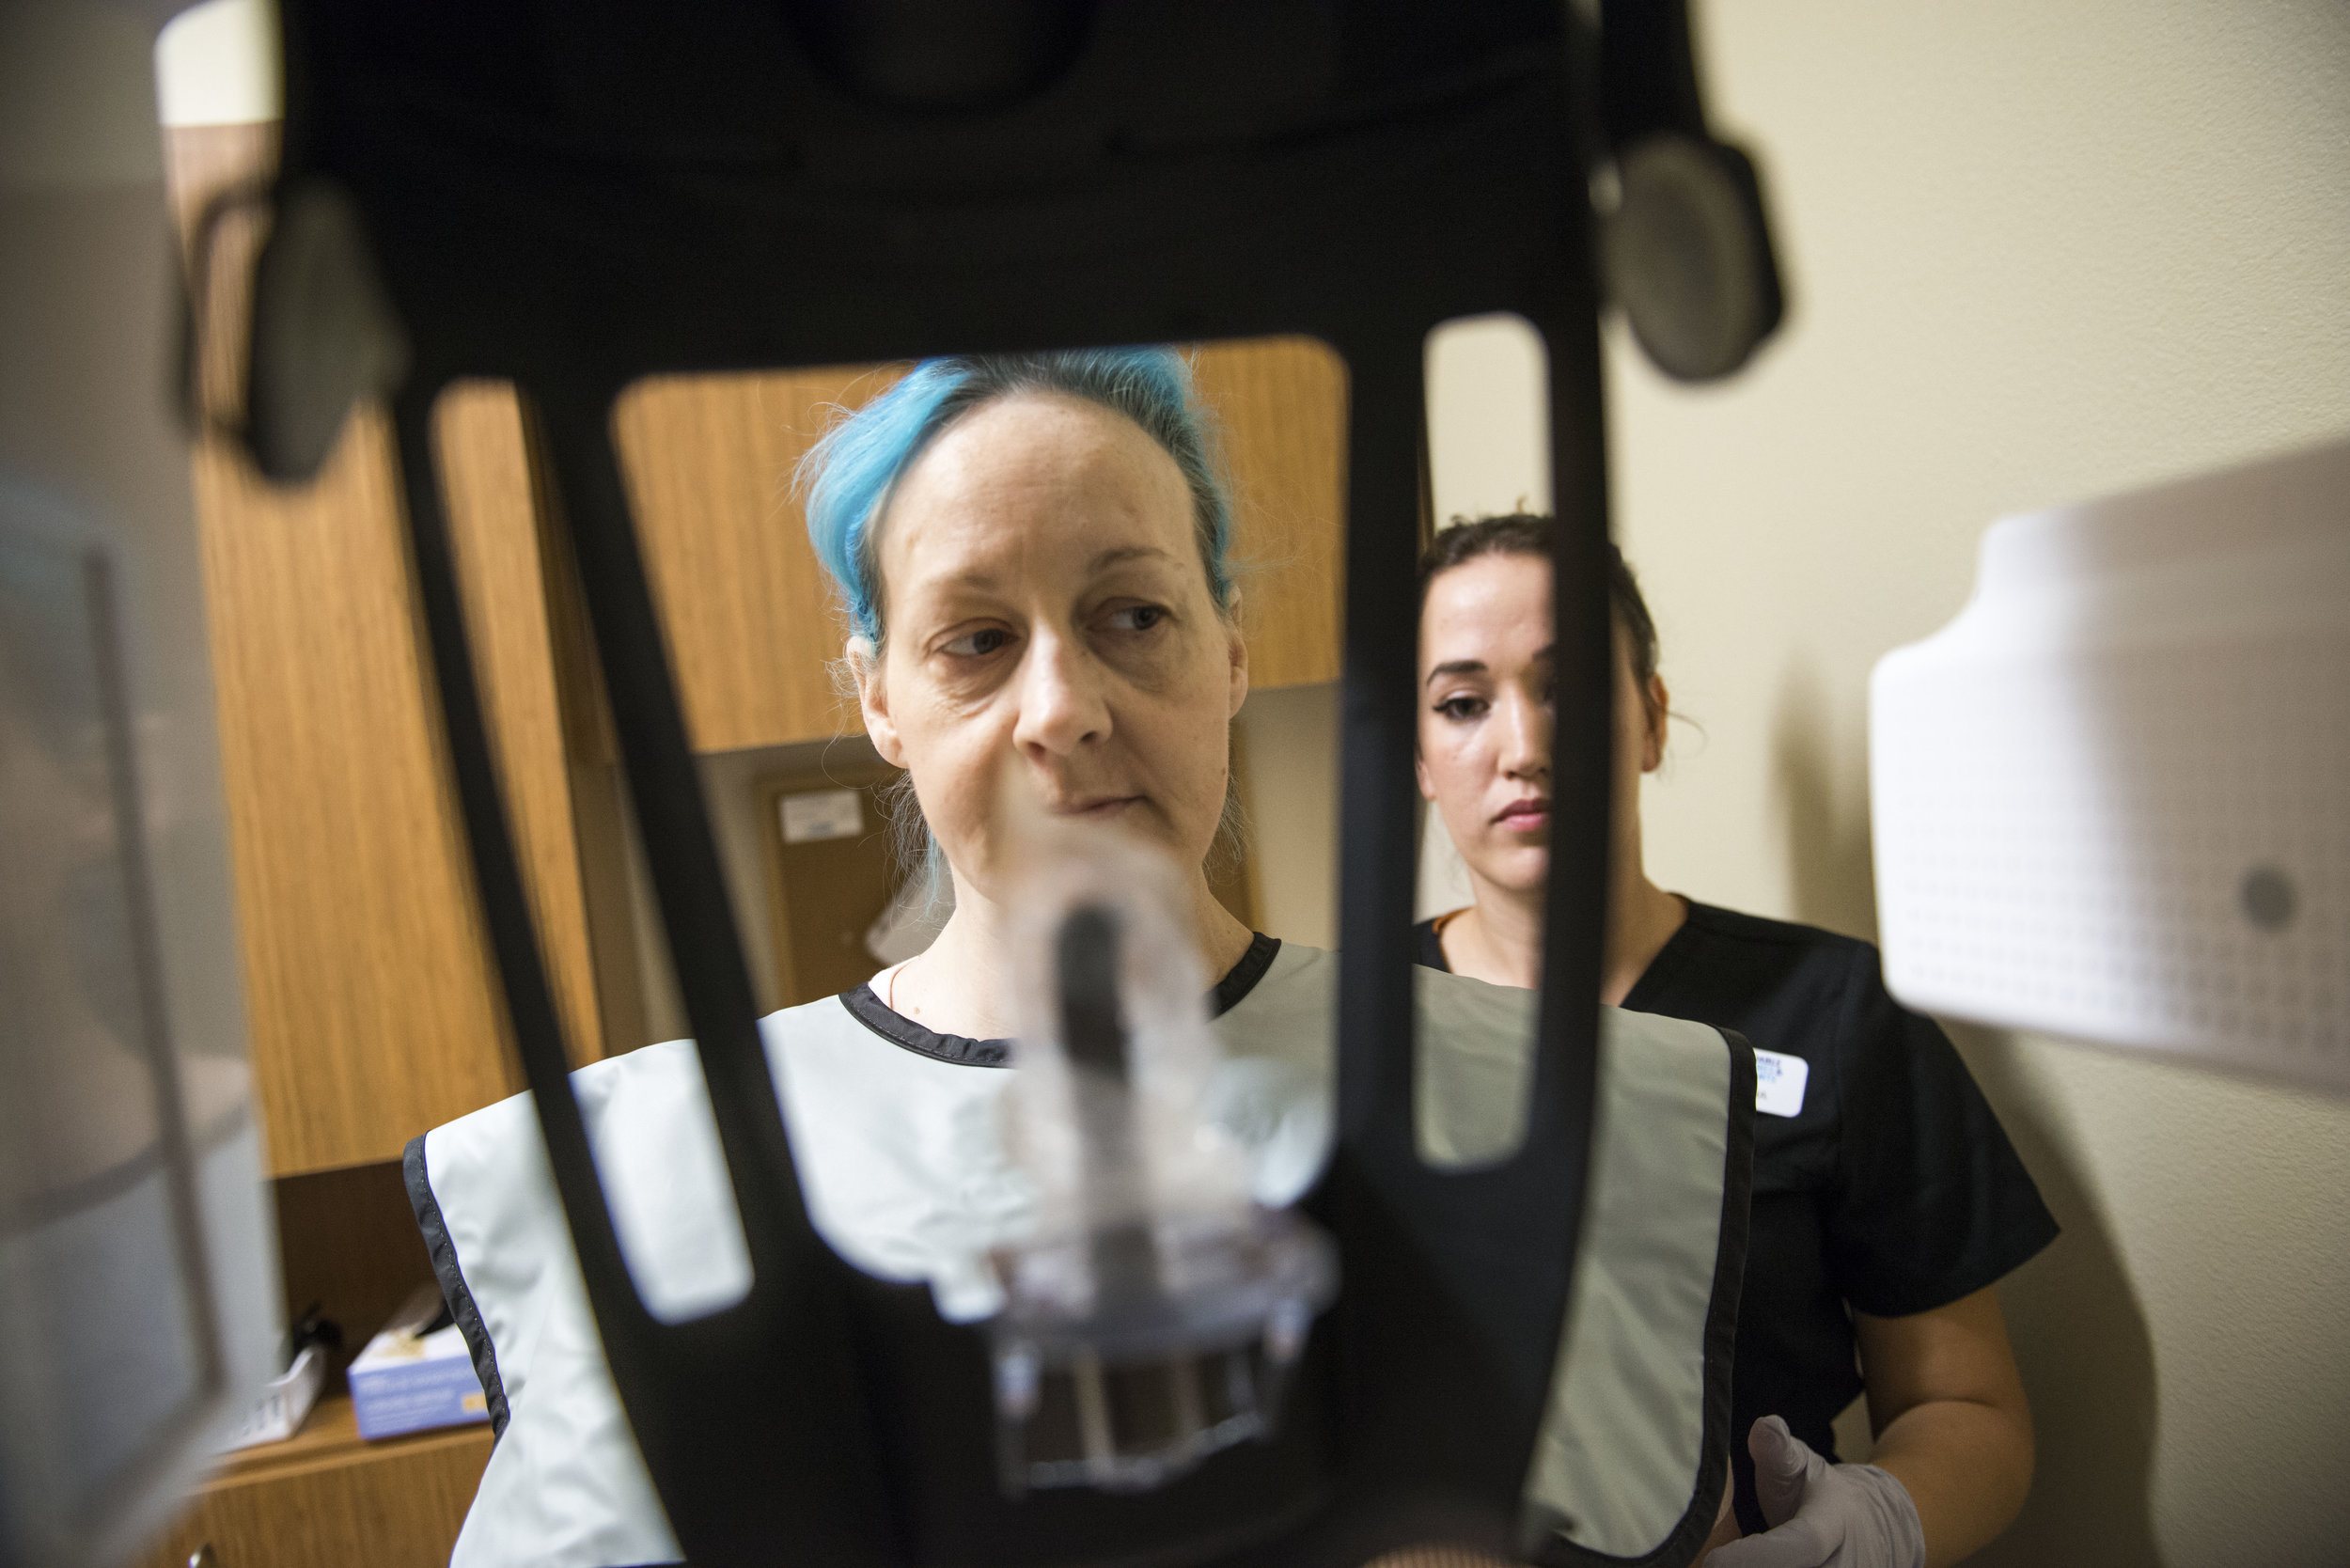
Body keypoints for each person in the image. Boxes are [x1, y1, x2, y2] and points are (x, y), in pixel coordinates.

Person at [404, 354, 1754, 1567]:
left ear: (1228, 652)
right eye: (977, 642)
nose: (1062, 710)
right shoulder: (647, 1179)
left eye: (1131, 616)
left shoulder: (1549, 1114)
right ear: (881, 696)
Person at [1411, 514, 2059, 1567]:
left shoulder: (1836, 1008)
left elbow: (1967, 1402)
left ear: (1652, 720)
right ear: (1422, 760)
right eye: (1462, 703)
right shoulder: (1356, 1027)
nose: (1522, 747)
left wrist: (1879, 1526)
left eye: (1567, 686)